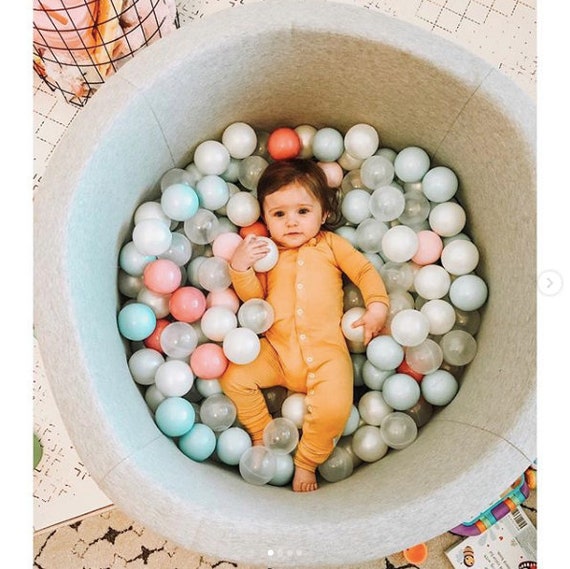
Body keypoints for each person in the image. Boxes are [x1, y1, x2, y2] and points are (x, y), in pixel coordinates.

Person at [219, 158, 390, 492]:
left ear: (324, 213)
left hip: (328, 354)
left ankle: (307, 461)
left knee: (336, 407)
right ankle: (260, 432)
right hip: (277, 354)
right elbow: (255, 301)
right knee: (234, 376)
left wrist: (377, 307)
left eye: (302, 211)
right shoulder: (269, 255)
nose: (291, 223)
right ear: (264, 217)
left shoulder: (330, 245)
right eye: (279, 214)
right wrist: (241, 268)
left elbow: (364, 271)